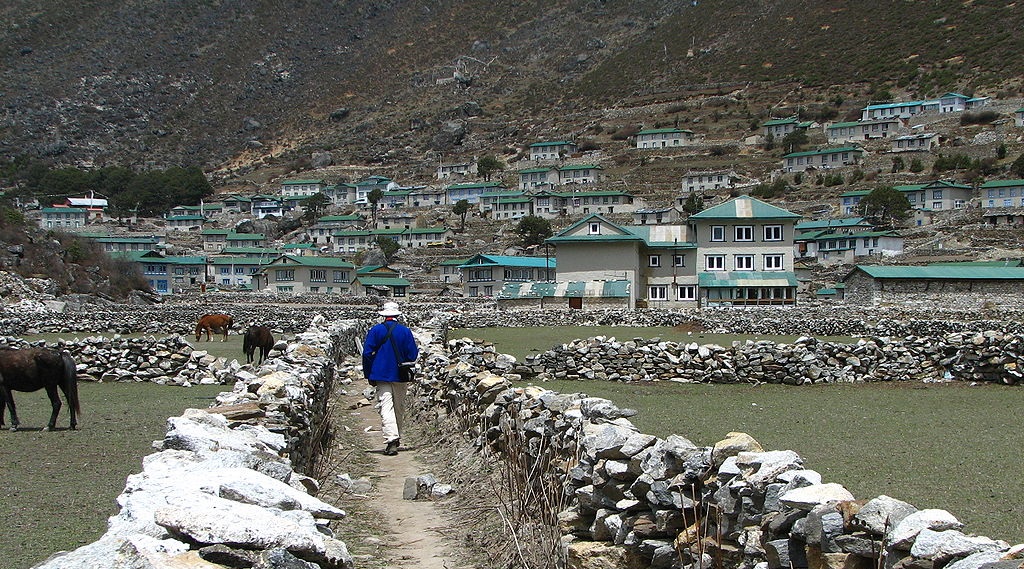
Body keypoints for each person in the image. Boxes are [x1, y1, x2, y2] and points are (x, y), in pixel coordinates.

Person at [362, 301, 419, 456]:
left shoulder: (376, 331)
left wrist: (369, 373)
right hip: (400, 374)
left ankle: (391, 438)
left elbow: (367, 353)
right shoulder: (405, 332)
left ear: (383, 316)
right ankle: (396, 436)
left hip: (381, 374)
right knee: (399, 407)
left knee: (386, 407)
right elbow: (412, 354)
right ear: (397, 315)